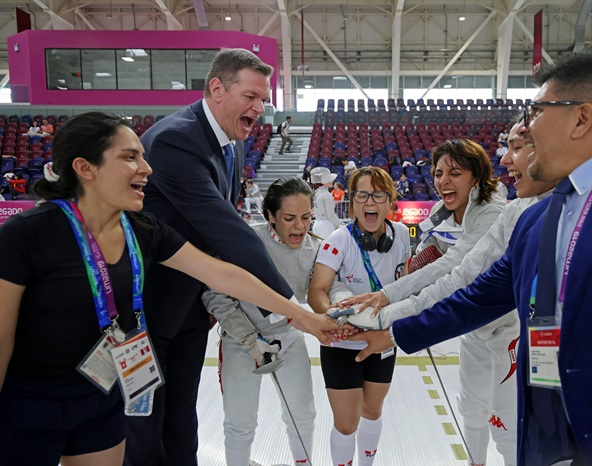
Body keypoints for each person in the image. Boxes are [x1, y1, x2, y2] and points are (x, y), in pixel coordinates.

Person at [350, 50, 592, 465]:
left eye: (535, 113)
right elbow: (472, 296)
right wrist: (391, 332)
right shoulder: (535, 220)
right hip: (555, 436)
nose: (516, 142)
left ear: (582, 117)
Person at [0, 112, 339, 466]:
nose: (146, 168)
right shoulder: (26, 236)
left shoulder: (144, 230)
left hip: (103, 399)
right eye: (130, 157)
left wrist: (303, 317)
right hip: (33, 403)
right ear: (86, 167)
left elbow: (224, 275)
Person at [126, 48, 328, 466]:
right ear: (217, 88)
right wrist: (292, 312)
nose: (260, 108)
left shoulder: (231, 145)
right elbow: (231, 234)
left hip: (188, 311)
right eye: (251, 96)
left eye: (264, 99)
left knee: (182, 419)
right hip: (146, 316)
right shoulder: (175, 139)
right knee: (144, 430)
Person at [342, 121, 557, 466]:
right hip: (474, 329)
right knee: (470, 410)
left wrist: (387, 312)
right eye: (438, 173)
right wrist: (386, 298)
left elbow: (456, 273)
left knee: (506, 422)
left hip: (510, 332)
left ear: (476, 177)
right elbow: (435, 269)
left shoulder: (497, 212)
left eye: (454, 173)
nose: (442, 180)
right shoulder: (458, 215)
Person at [203, 177, 323, 466]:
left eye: (306, 217)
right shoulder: (246, 242)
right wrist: (248, 338)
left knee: (303, 415)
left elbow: (325, 291)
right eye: (289, 218)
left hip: (290, 339)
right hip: (241, 343)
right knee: (240, 422)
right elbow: (214, 294)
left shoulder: (316, 249)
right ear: (270, 216)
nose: (299, 227)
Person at [308, 167, 411, 466]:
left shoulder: (401, 235)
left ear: (390, 201)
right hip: (343, 342)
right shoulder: (339, 239)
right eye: (362, 195)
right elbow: (317, 291)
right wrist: (337, 317)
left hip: (381, 340)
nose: (370, 203)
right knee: (346, 423)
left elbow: (406, 281)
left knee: (373, 411)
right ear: (352, 202)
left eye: (378, 195)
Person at [311, 166, 343, 238]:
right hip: (325, 225)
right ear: (325, 181)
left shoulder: (317, 193)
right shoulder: (327, 195)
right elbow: (330, 215)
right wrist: (342, 224)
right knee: (328, 248)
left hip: (316, 224)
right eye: (330, 179)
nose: (332, 181)